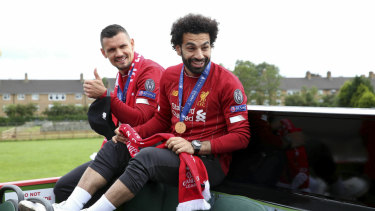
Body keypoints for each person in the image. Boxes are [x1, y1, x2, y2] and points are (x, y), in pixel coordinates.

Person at [19, 14, 250, 211]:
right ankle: (67, 208)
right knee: (116, 143)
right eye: (191, 47)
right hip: (175, 150)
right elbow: (161, 120)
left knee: (145, 158)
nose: (199, 54)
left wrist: (196, 146)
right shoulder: (171, 76)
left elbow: (241, 136)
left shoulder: (228, 82)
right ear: (178, 48)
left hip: (208, 161)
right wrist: (131, 133)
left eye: (205, 46)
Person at [52, 24, 164, 207]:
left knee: (116, 148)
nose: (119, 53)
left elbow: (140, 118)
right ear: (104, 53)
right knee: (63, 187)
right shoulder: (122, 77)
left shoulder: (149, 71)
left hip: (149, 149)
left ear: (132, 44)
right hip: (124, 148)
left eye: (123, 46)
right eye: (111, 49)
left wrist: (106, 96)